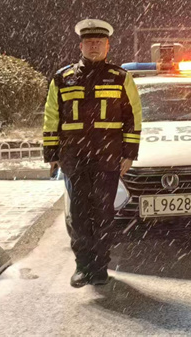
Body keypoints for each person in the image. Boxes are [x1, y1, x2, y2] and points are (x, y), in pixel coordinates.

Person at [43, 18, 142, 287]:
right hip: (74, 158)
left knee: (103, 214)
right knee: (78, 215)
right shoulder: (62, 79)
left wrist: (129, 153)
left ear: (108, 46)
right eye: (89, 42)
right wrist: (52, 154)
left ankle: (100, 268)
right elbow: (52, 117)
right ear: (81, 46)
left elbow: (133, 117)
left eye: (99, 42)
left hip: (107, 158)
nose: (94, 46)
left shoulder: (121, 78)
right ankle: (82, 266)